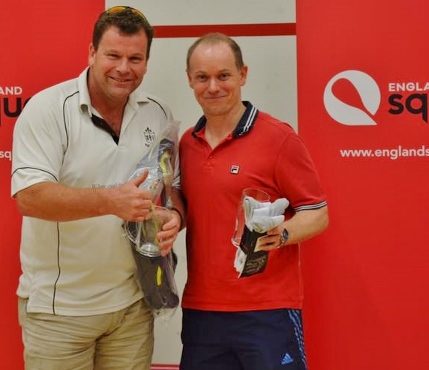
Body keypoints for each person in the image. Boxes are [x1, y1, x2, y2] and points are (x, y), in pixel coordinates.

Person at [11, 6, 183, 370]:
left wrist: (174, 217)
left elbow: (172, 187)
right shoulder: (47, 109)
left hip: (134, 308)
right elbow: (29, 197)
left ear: (147, 62)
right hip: (61, 313)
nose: (124, 68)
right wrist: (111, 201)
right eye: (113, 55)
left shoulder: (158, 113)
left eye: (135, 58)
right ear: (91, 53)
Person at [179, 32, 329, 370]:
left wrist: (284, 234)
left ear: (243, 75)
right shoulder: (186, 144)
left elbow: (317, 213)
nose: (213, 86)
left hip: (267, 311)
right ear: (190, 80)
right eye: (203, 77)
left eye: (224, 75)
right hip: (202, 312)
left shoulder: (279, 138)